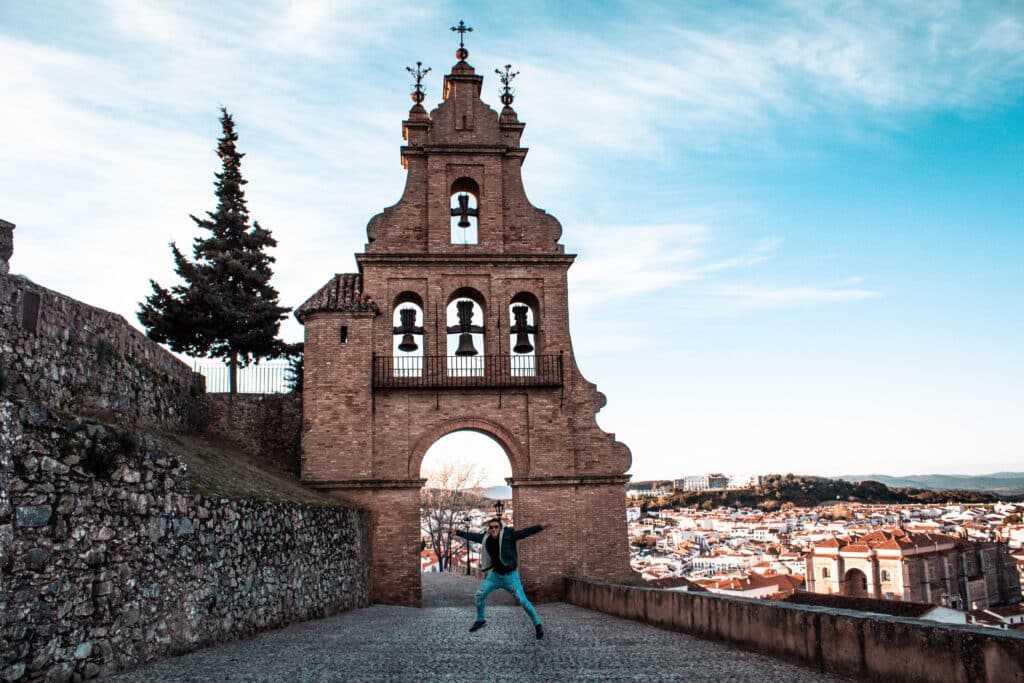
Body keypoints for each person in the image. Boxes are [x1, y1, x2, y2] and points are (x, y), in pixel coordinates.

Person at [455, 517, 551, 639]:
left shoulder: (509, 535)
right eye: (491, 527)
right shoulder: (486, 538)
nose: (494, 529)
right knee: (479, 594)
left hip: (511, 576)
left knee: (523, 601)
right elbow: (472, 537)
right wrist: (458, 532)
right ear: (489, 529)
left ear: (500, 528)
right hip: (495, 576)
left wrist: (540, 527)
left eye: (496, 527)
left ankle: (537, 624)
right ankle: (481, 619)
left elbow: (524, 533)